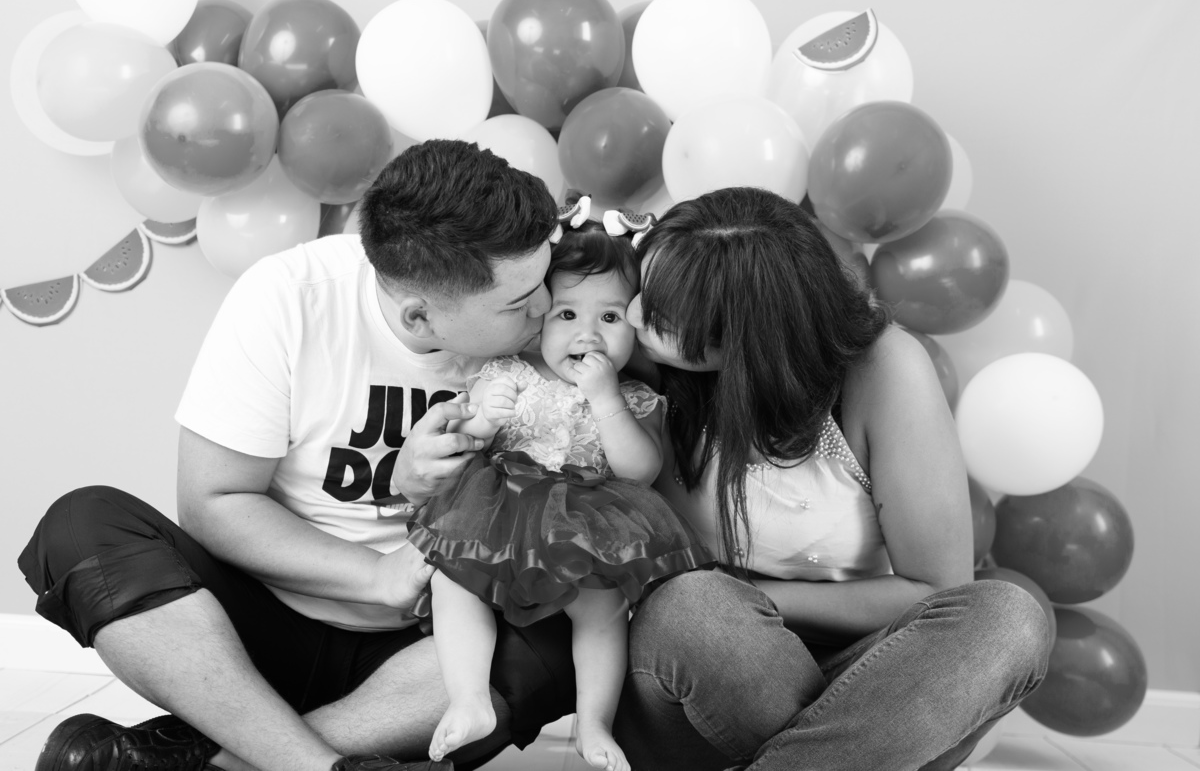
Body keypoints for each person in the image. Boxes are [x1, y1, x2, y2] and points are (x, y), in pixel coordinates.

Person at [18, 140, 579, 771]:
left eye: (544, 279)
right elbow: (214, 500)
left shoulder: (561, 323)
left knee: (566, 633)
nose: (543, 307)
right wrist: (376, 576)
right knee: (80, 524)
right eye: (516, 302)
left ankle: (208, 757)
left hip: (433, 646)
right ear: (420, 317)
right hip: (252, 633)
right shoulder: (292, 297)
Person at [611, 187, 1051, 771]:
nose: (635, 314)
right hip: (696, 677)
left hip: (869, 678)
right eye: (647, 288)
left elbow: (932, 590)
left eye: (662, 316)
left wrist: (759, 598)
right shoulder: (629, 351)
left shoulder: (881, 369)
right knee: (697, 607)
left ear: (743, 346)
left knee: (1009, 620)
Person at [407, 197, 715, 771]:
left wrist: (605, 402)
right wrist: (483, 419)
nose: (588, 334)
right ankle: (469, 698)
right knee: (454, 583)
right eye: (567, 314)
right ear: (538, 317)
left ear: (638, 324)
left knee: (600, 608)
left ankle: (594, 723)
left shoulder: (633, 398)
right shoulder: (509, 372)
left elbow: (638, 472)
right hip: (497, 510)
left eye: (611, 317)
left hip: (585, 521)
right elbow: (466, 439)